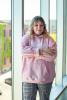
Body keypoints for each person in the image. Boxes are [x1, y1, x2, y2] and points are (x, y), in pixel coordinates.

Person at [22, 16, 57, 100]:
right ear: (32, 27)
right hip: (28, 77)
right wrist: (41, 51)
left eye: (41, 25)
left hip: (45, 77)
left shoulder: (50, 39)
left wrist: (31, 53)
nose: (39, 27)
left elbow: (52, 56)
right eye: (36, 25)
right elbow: (22, 50)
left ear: (44, 27)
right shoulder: (26, 38)